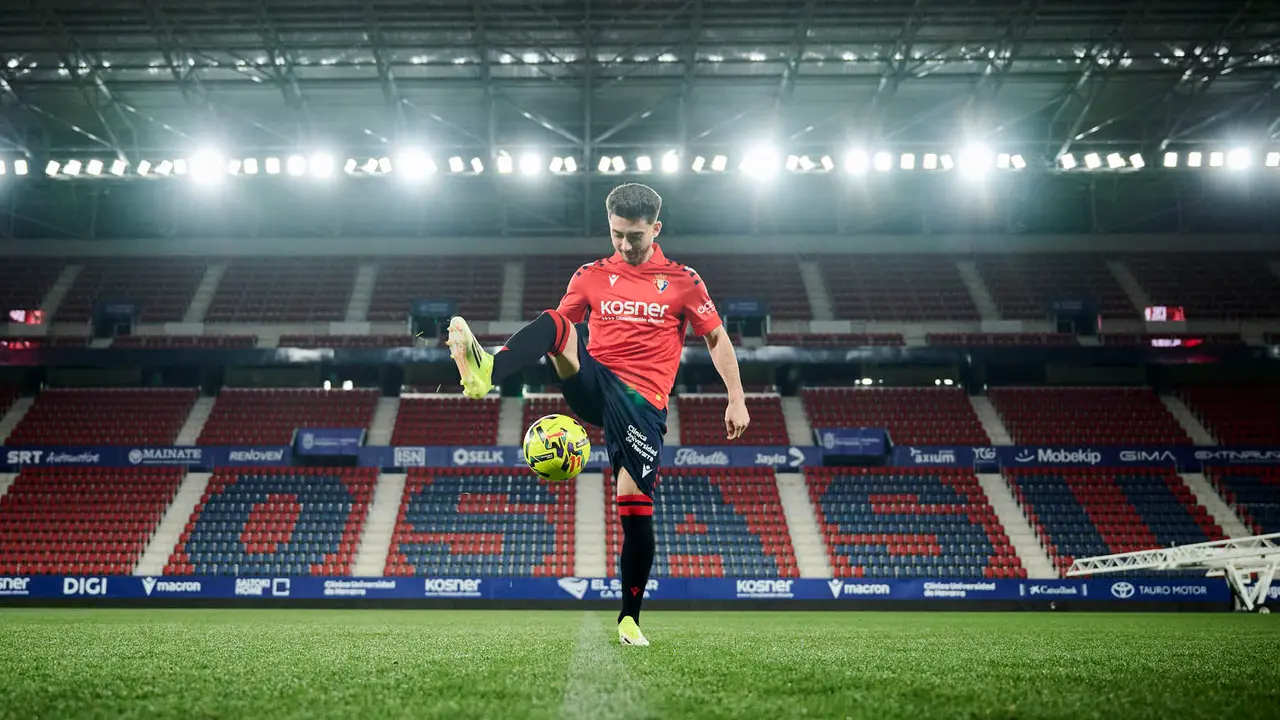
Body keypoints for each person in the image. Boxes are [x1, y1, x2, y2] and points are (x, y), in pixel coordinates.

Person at [445, 182, 750, 646]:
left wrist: (736, 397)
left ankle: (630, 619)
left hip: (641, 404)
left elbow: (716, 338)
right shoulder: (590, 275)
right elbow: (558, 334)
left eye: (635, 236)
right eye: (617, 235)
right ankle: (487, 370)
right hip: (593, 382)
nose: (625, 245)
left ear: (656, 229)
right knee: (554, 322)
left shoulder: (684, 281)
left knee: (634, 506)